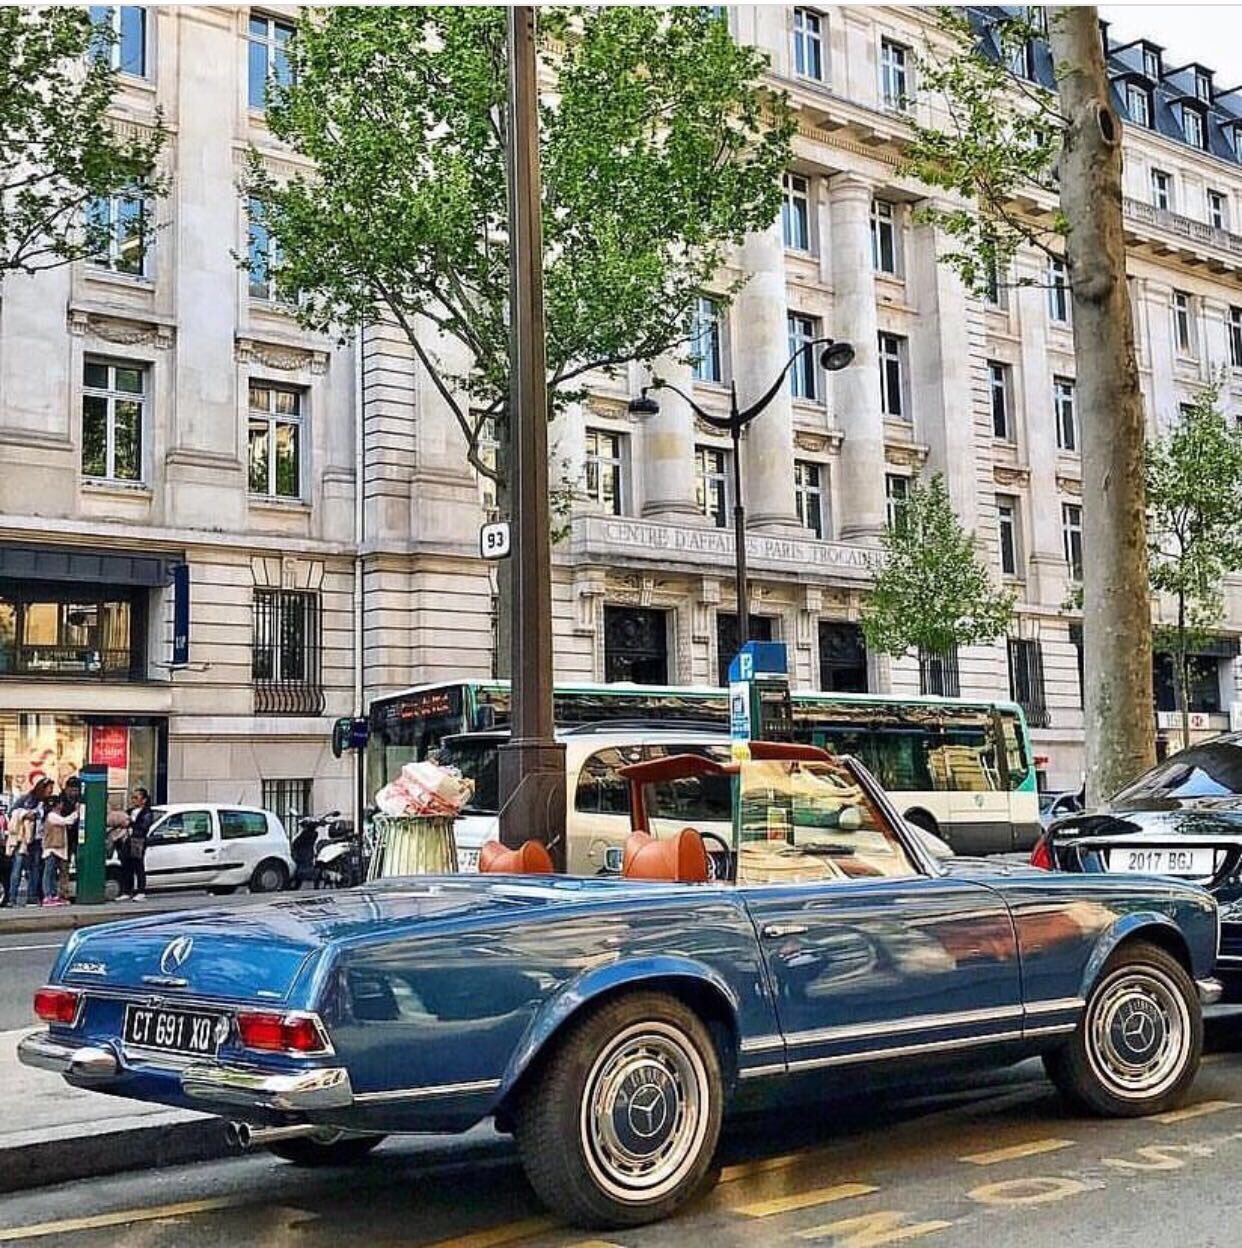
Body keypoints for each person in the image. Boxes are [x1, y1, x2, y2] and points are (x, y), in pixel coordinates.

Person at [6, 778, 52, 907]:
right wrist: (25, 814)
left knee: (35, 869)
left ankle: (32, 897)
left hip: (37, 839)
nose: (50, 791)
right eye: (49, 788)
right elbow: (12, 813)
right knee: (18, 867)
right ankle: (12, 898)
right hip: (23, 839)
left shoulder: (47, 803)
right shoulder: (27, 799)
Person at [40, 786, 79, 908]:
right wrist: (77, 811)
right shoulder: (52, 816)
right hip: (51, 850)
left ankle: (53, 895)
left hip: (57, 850)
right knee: (48, 873)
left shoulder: (55, 816)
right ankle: (47, 896)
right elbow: (67, 821)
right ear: (57, 805)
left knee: (52, 874)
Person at [121, 787, 153, 901]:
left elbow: (144, 826)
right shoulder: (130, 811)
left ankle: (141, 891)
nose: (133, 800)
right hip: (127, 839)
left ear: (143, 800)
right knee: (126, 865)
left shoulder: (147, 813)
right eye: (132, 798)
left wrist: (131, 823)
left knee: (138, 865)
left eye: (136, 798)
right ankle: (127, 890)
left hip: (138, 840)